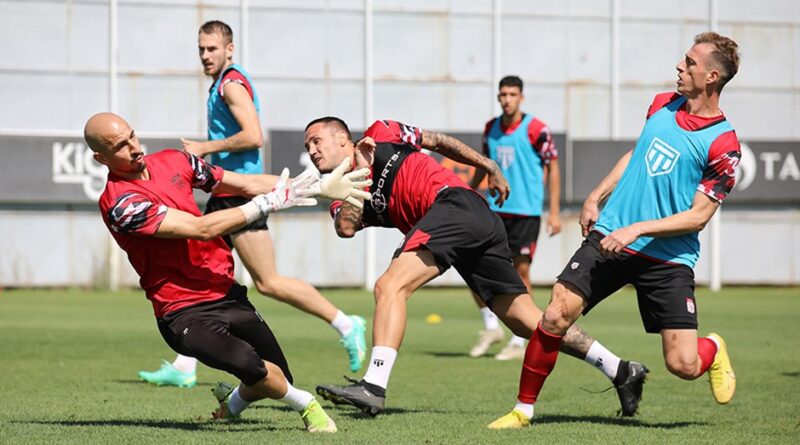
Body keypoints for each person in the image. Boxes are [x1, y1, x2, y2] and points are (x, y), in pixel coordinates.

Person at [307, 118, 647, 417]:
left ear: (342, 138)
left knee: (389, 286)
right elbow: (346, 228)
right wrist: (359, 177)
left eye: (316, 141)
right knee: (527, 323)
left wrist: (488, 165)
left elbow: (437, 141)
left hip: (456, 204)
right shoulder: (339, 192)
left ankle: (374, 386)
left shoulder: (382, 131)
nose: (312, 151)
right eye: (307, 147)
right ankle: (620, 369)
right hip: (466, 225)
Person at [489, 32, 741, 429]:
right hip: (610, 237)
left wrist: (637, 229)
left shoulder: (723, 144)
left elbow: (698, 217)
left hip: (667, 258)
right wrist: (596, 196)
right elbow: (637, 153)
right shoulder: (662, 104)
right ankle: (523, 411)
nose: (679, 66)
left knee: (683, 364)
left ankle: (713, 347)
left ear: (712, 77)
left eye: (690, 62)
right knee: (555, 314)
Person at [86, 112, 370, 431]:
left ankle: (231, 404)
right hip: (182, 310)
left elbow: (245, 183)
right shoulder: (121, 204)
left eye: (132, 136)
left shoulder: (176, 161)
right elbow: (201, 228)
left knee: (276, 376)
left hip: (225, 291)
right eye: (120, 146)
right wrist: (267, 203)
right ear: (101, 158)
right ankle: (307, 406)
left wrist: (316, 187)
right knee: (254, 368)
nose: (134, 147)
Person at [139, 20, 367, 388]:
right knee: (201, 272)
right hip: (226, 195)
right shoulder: (221, 83)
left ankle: (346, 323)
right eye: (201, 49)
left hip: (240, 194)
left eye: (212, 49)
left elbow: (253, 136)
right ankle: (185, 365)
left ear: (229, 49)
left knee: (268, 282)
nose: (205, 55)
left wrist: (205, 148)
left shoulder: (231, 84)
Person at [467, 75, 562, 361]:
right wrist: (467, 191)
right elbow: (484, 165)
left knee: (520, 274)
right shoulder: (490, 129)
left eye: (512, 94)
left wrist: (554, 211)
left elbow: (553, 167)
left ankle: (521, 340)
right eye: (503, 95)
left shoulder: (536, 129)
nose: (507, 99)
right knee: (472, 266)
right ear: (499, 97)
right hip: (494, 210)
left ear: (521, 97)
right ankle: (491, 327)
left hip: (525, 212)